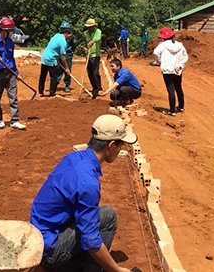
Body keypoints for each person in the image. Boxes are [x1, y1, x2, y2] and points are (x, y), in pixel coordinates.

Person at [30, 114, 137, 272]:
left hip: (39, 233)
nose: (120, 149)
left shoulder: (74, 157)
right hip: (49, 247)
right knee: (108, 217)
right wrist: (117, 270)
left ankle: (71, 264)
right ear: (111, 145)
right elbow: (90, 240)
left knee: (100, 215)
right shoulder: (88, 182)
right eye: (120, 145)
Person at [0, 17, 26, 130]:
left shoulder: (10, 42)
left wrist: (17, 73)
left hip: (10, 73)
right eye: (10, 30)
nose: (11, 32)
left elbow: (11, 59)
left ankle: (15, 120)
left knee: (13, 97)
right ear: (4, 30)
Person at [153, 27, 188, 116]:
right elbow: (185, 57)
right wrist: (180, 65)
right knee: (178, 88)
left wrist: (159, 61)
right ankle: (181, 107)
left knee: (170, 90)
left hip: (167, 70)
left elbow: (156, 53)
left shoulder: (162, 45)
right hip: (177, 70)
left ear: (163, 37)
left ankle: (172, 110)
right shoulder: (180, 45)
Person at [39, 28, 72, 97]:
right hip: (51, 59)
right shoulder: (63, 42)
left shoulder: (57, 35)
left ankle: (40, 92)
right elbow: (63, 57)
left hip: (44, 58)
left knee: (43, 76)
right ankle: (52, 93)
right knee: (54, 77)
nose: (70, 38)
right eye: (70, 36)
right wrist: (66, 68)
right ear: (66, 34)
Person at [55, 21, 76, 93]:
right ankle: (55, 83)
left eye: (65, 28)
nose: (64, 30)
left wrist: (71, 53)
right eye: (62, 28)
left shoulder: (72, 36)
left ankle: (67, 85)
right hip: (59, 55)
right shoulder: (58, 35)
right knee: (58, 70)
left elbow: (73, 46)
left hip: (68, 54)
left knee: (67, 69)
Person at [84, 18, 102, 97]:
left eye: (91, 27)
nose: (90, 28)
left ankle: (99, 87)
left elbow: (98, 38)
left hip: (96, 55)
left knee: (95, 72)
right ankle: (94, 88)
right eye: (88, 27)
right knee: (90, 73)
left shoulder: (98, 31)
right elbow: (87, 42)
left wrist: (93, 41)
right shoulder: (86, 33)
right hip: (89, 55)